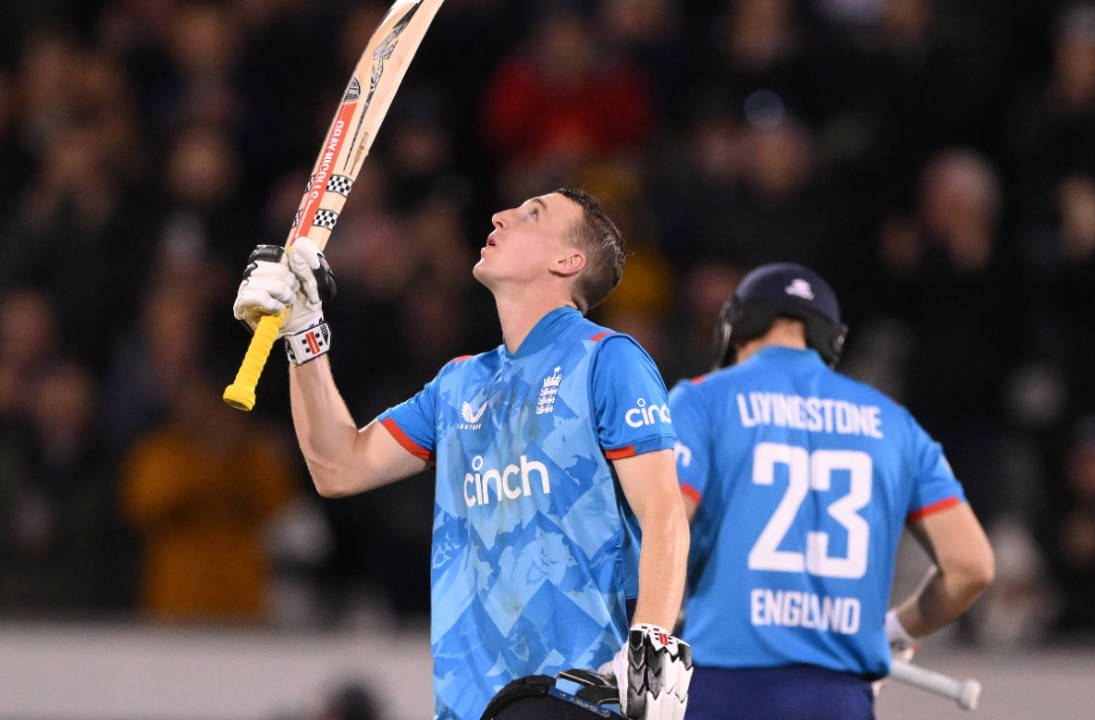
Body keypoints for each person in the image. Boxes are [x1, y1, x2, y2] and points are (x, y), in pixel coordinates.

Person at [232, 188, 692, 720]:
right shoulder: (460, 384)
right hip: (470, 707)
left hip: (577, 695)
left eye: (532, 215)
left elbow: (665, 516)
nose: (499, 215)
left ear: (568, 262)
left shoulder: (608, 360)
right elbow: (338, 467)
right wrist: (304, 335)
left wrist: (651, 654)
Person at [669, 263, 994, 720]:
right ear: (830, 339)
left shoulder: (703, 400)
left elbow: (660, 530)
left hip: (725, 684)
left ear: (737, 326)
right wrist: (893, 633)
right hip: (839, 696)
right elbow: (971, 567)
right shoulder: (895, 423)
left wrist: (649, 626)